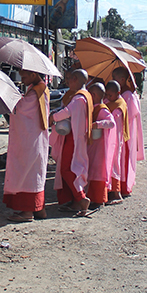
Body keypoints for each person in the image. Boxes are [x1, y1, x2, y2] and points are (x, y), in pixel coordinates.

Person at [3, 69, 50, 222]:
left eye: (24, 76)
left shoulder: (36, 91)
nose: (22, 79)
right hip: (36, 136)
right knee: (36, 172)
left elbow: (21, 109)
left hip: (30, 139)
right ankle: (39, 208)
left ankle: (27, 212)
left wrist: (10, 96)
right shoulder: (40, 89)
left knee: (28, 172)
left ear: (34, 75)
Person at [52, 68, 93, 215]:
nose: (68, 82)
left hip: (73, 140)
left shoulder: (78, 98)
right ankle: (76, 201)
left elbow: (66, 113)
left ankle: (81, 198)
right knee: (75, 168)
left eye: (69, 79)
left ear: (75, 79)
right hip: (78, 137)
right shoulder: (86, 95)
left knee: (67, 169)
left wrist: (52, 117)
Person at [109, 67, 144, 197]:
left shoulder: (128, 95)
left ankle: (122, 186)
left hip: (125, 130)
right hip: (119, 130)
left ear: (122, 80)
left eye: (115, 78)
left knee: (123, 158)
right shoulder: (121, 93)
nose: (113, 80)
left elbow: (129, 115)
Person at [86, 82, 119, 208]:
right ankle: (92, 198)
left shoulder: (102, 109)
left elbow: (111, 123)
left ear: (93, 95)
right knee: (92, 171)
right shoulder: (94, 108)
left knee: (98, 172)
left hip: (100, 148)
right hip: (93, 145)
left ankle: (99, 199)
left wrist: (97, 124)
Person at [104, 79, 128, 202]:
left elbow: (114, 124)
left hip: (116, 140)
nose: (108, 97)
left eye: (110, 95)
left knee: (115, 164)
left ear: (118, 93)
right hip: (110, 139)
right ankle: (110, 190)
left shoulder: (119, 105)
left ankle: (116, 192)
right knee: (110, 163)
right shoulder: (110, 102)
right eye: (107, 95)